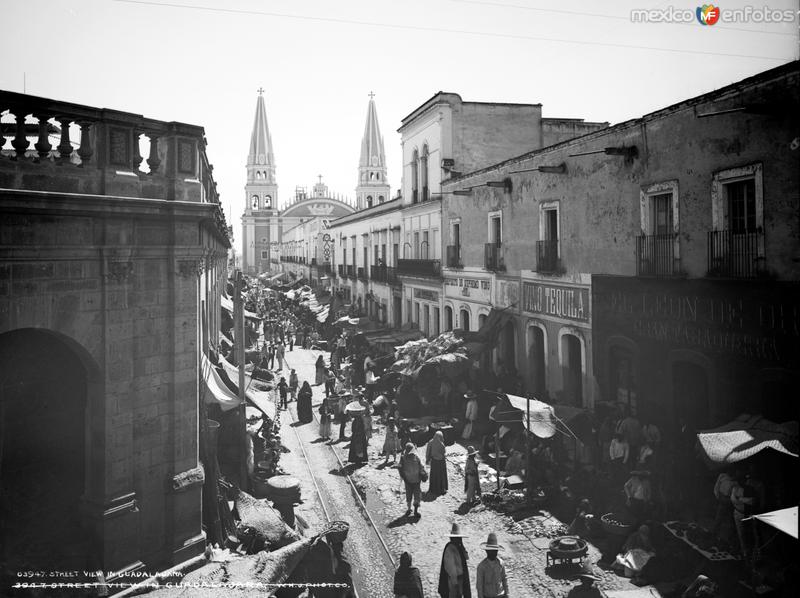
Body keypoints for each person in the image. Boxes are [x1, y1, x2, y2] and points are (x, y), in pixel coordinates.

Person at [438, 523, 471, 598]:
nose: (459, 540)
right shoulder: (450, 548)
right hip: (454, 580)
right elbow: (451, 567)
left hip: (460, 578)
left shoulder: (459, 547)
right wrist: (455, 583)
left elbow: (466, 557)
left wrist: (462, 546)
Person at [475, 532, 508, 598]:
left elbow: (504, 579)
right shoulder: (482, 566)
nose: (493, 553)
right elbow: (479, 586)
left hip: (500, 596)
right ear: (486, 551)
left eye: (495, 551)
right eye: (491, 551)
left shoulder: (501, 563)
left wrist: (507, 594)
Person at [398, 442, 426, 517]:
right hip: (417, 480)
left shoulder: (403, 458)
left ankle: (409, 509)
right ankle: (416, 511)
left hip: (407, 481)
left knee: (408, 495)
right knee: (417, 495)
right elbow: (422, 468)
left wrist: (403, 477)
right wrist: (423, 475)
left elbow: (399, 467)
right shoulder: (417, 457)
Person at [426, 430, 449, 497]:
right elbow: (444, 452)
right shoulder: (441, 444)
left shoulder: (431, 442)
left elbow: (428, 451)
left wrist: (427, 459)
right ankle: (441, 489)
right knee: (441, 475)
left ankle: (433, 489)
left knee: (434, 475)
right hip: (441, 462)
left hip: (434, 462)